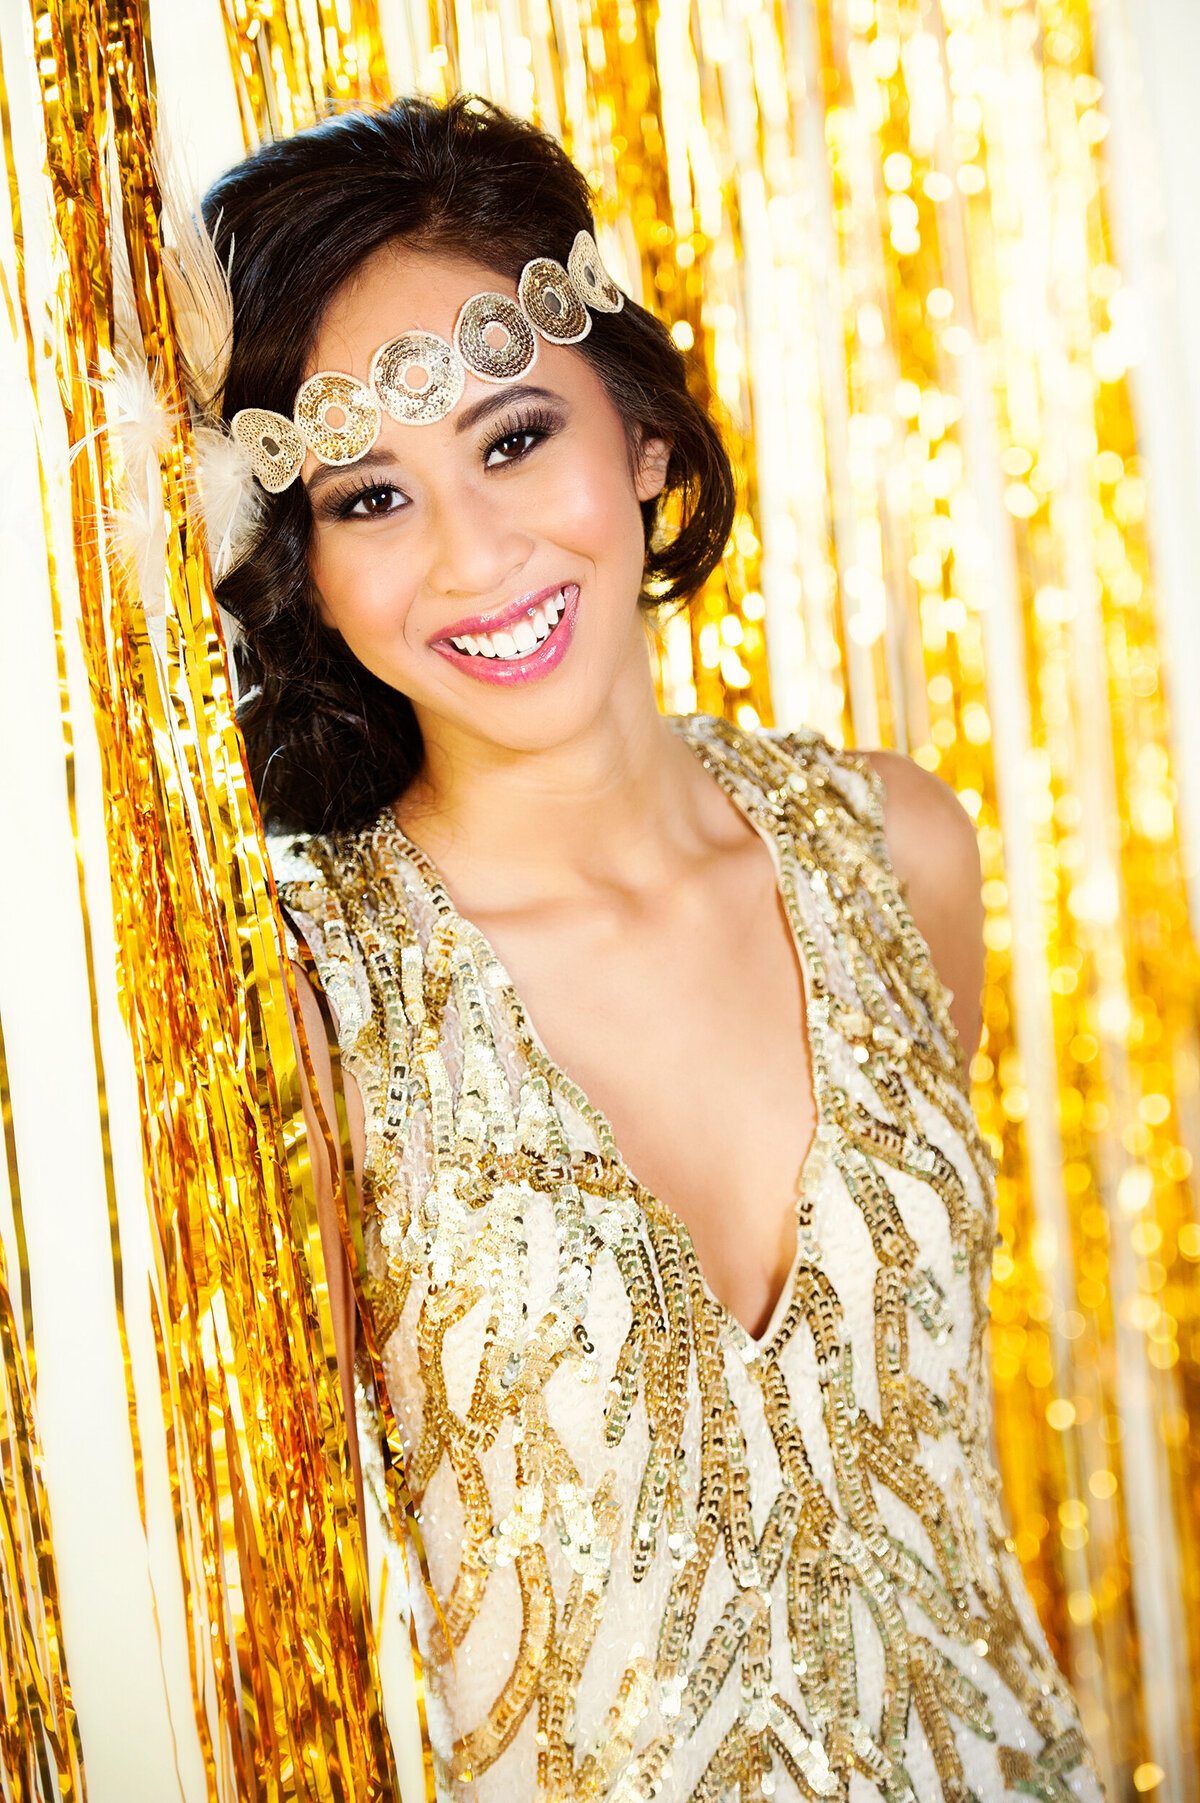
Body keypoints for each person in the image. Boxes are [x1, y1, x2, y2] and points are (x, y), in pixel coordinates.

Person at [202, 93, 1103, 1802]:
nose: (475, 554)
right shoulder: (308, 996)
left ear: (644, 445)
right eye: (374, 496)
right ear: (307, 569)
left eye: (515, 440)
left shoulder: (897, 850)